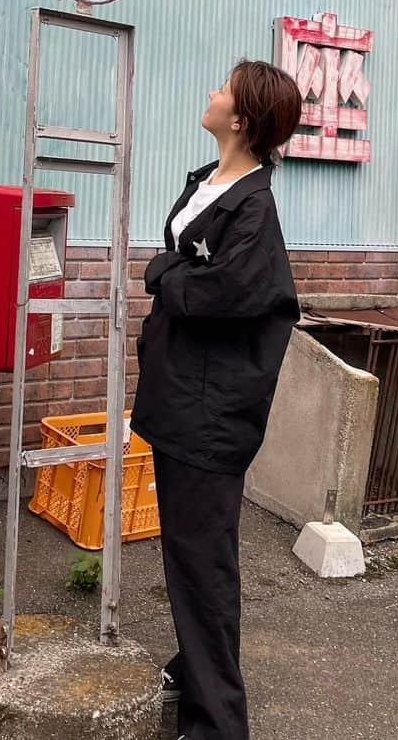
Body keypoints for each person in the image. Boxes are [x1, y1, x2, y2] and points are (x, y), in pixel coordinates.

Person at [131, 59, 303, 740]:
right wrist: (175, 269)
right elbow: (186, 267)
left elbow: (222, 294)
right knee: (189, 551)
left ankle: (218, 723)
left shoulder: (254, 207)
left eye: (223, 89)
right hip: (183, 393)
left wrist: (163, 274)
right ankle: (195, 665)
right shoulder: (209, 183)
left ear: (241, 119)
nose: (210, 91)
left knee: (203, 561)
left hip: (211, 409)